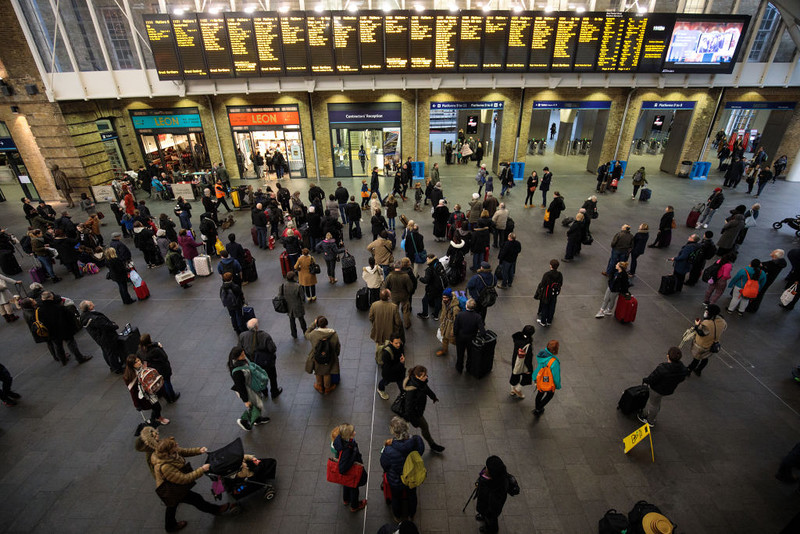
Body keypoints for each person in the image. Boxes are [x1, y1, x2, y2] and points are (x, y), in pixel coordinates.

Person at [152, 437, 238, 532]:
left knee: (172, 505)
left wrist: (198, 450)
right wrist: (202, 469)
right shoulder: (166, 467)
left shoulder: (170, 454)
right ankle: (216, 510)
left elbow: (184, 451)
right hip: (172, 490)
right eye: (175, 445)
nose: (177, 445)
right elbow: (184, 479)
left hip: (172, 487)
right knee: (195, 499)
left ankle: (170, 526)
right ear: (169, 451)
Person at [380, 417, 425, 520]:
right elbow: (421, 452)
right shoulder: (417, 440)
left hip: (396, 479)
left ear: (394, 432)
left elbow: (384, 465)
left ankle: (397, 516)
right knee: (412, 495)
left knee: (396, 497)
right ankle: (412, 513)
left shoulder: (389, 450)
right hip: (412, 476)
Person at [37, 291, 92, 365]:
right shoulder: (59, 307)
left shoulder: (39, 310)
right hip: (64, 329)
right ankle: (79, 358)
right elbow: (70, 317)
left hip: (52, 332)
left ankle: (63, 360)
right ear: (51, 297)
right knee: (71, 344)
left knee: (58, 346)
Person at [638, 346, 689, 427]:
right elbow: (682, 378)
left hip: (657, 390)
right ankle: (653, 415)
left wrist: (645, 380)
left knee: (653, 404)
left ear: (668, 356)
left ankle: (650, 421)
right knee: (657, 403)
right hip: (668, 389)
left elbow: (652, 379)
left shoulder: (663, 368)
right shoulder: (682, 369)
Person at [402, 365, 445, 452]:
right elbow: (408, 409)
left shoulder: (420, 382)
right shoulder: (412, 389)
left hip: (417, 410)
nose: (426, 377)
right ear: (417, 376)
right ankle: (432, 444)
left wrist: (433, 397)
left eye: (426, 375)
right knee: (424, 426)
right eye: (424, 376)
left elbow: (426, 388)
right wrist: (415, 422)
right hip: (414, 413)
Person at [227, 346, 270, 431]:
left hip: (251, 387)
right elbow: (240, 387)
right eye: (242, 355)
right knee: (256, 405)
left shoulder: (240, 362)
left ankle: (257, 420)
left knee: (256, 405)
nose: (244, 356)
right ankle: (243, 420)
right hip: (247, 390)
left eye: (243, 354)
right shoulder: (237, 372)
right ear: (236, 357)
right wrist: (246, 401)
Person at [238, 318, 282, 399]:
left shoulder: (242, 336)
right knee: (272, 377)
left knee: (259, 377)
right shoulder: (265, 336)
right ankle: (274, 392)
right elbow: (272, 349)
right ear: (257, 327)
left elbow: (240, 348)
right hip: (267, 362)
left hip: (254, 362)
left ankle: (264, 391)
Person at [331, 423, 368, 512]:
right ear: (348, 435)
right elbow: (342, 469)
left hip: (347, 475)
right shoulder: (347, 449)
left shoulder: (341, 442)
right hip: (351, 473)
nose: (355, 432)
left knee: (346, 484)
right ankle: (354, 506)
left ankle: (346, 499)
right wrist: (353, 457)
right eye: (353, 432)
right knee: (354, 488)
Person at [123, 354, 168, 426]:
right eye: (135, 362)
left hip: (153, 389)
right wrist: (136, 404)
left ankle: (154, 419)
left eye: (138, 360)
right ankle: (157, 419)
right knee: (156, 406)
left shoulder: (145, 366)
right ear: (132, 365)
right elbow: (132, 392)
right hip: (145, 395)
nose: (139, 362)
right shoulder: (130, 376)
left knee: (156, 406)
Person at [79, 300, 124, 373]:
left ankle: (112, 366)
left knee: (106, 351)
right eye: (90, 303)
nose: (92, 302)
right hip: (106, 337)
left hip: (99, 338)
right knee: (111, 353)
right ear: (90, 307)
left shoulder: (84, 317)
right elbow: (106, 326)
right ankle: (117, 368)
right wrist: (114, 326)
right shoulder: (95, 318)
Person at [686, 304, 727, 377]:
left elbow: (701, 333)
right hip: (712, 344)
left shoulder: (706, 323)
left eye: (707, 311)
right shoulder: (722, 322)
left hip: (702, 345)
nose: (705, 312)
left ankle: (689, 370)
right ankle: (699, 370)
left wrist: (697, 325)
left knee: (696, 358)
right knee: (705, 358)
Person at [138, 334, 180, 404]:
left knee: (159, 383)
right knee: (166, 382)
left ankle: (164, 396)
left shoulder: (140, 351)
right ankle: (172, 397)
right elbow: (164, 357)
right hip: (162, 368)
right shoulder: (156, 350)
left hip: (153, 371)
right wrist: (161, 347)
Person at [304, 316, 341, 394]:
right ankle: (327, 388)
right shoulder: (333, 334)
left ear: (318, 324)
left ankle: (320, 387)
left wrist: (313, 324)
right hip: (329, 357)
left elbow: (306, 334)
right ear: (326, 323)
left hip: (317, 357)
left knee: (318, 372)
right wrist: (336, 354)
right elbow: (337, 346)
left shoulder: (313, 334)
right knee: (327, 372)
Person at [475, 455, 511, 534]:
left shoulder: (496, 490)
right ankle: (483, 515)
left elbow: (493, 507)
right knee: (485, 513)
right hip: (484, 501)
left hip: (490, 509)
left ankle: (491, 529)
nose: (485, 469)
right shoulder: (493, 477)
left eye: (487, 468)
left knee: (491, 519)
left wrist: (488, 513)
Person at [453, 298, 485, 374]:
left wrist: (456, 335)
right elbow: (483, 331)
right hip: (471, 339)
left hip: (460, 338)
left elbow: (455, 327)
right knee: (470, 355)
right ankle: (468, 368)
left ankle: (459, 367)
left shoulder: (460, 315)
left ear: (466, 306)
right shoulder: (478, 317)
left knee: (460, 354)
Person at [532, 340, 561, 416]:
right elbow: (555, 376)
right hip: (548, 382)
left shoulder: (541, 355)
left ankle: (537, 407)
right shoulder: (554, 362)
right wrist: (557, 385)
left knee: (540, 392)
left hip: (539, 377)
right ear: (555, 350)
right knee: (549, 395)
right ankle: (539, 408)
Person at [383, 261, 414, 330]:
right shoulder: (405, 276)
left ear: (394, 267)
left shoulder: (390, 276)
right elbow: (410, 287)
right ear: (401, 267)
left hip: (394, 296)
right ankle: (407, 324)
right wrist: (409, 293)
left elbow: (385, 286)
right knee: (406, 310)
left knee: (395, 310)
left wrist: (389, 293)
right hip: (404, 296)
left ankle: (396, 324)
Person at [509, 325, 535, 399]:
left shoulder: (517, 338)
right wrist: (530, 369)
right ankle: (518, 389)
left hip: (515, 360)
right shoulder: (527, 344)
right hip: (523, 363)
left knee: (515, 374)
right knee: (527, 376)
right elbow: (528, 358)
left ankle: (512, 390)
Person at [376, 335, 406, 400]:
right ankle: (380, 389)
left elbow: (401, 352)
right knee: (385, 382)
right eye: (396, 343)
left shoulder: (400, 346)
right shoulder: (386, 353)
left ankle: (403, 393)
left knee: (401, 384)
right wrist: (401, 363)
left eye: (399, 342)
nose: (398, 345)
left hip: (399, 372)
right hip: (389, 373)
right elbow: (388, 369)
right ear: (391, 342)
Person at [279, 271, 307, 339]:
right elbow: (302, 297)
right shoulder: (298, 286)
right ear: (294, 277)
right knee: (301, 320)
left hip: (288, 307)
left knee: (292, 321)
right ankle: (305, 332)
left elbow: (280, 296)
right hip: (298, 306)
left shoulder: (283, 286)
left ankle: (294, 334)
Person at [418, 254, 446, 320]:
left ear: (430, 259)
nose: (426, 260)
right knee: (438, 300)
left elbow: (426, 280)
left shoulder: (429, 269)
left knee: (424, 300)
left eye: (427, 259)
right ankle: (436, 315)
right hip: (440, 287)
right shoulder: (439, 264)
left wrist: (420, 278)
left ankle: (425, 314)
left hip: (432, 288)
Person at [535, 259, 563, 327]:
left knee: (545, 306)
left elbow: (543, 284)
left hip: (547, 293)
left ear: (551, 266)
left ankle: (543, 321)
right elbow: (561, 283)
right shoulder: (559, 274)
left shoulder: (547, 274)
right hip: (554, 293)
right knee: (552, 306)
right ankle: (549, 321)